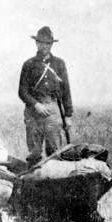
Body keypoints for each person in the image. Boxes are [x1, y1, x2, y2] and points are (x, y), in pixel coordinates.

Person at [18, 26, 73, 167]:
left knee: (55, 152)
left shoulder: (59, 64)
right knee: (34, 153)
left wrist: (68, 115)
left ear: (51, 45)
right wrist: (36, 105)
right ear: (36, 43)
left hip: (53, 109)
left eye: (47, 43)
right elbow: (22, 91)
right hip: (33, 111)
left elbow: (66, 90)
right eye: (41, 42)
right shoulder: (29, 64)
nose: (44, 46)